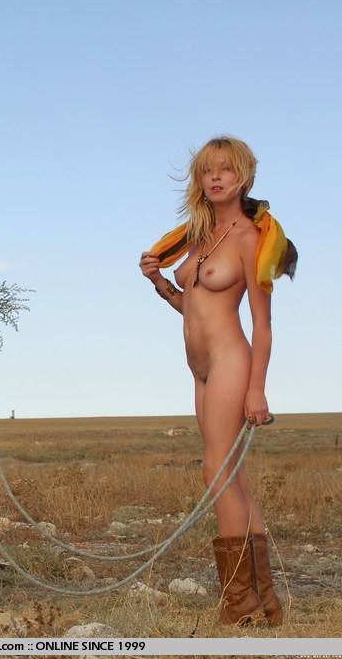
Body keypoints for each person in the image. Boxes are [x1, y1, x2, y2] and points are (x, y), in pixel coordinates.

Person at [140, 136, 297, 627]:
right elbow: (193, 307)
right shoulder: (199, 235)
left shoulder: (250, 238)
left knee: (217, 472)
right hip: (200, 369)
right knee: (234, 478)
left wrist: (257, 388)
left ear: (243, 177)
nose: (215, 177)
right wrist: (160, 283)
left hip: (231, 361)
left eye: (225, 169)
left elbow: (262, 324)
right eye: (208, 170)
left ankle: (240, 604)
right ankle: (264, 602)